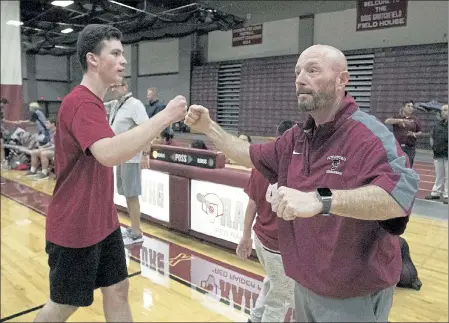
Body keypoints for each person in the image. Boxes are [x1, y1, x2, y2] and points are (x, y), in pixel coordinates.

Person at [185, 44, 419, 322]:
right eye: (297, 72)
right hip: (304, 284)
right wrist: (209, 128)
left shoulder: (368, 135)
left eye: (313, 70)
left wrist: (321, 200)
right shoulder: (297, 137)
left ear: (342, 80)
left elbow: (399, 197)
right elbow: (246, 154)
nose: (300, 78)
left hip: (353, 293)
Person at [33, 24, 187, 322]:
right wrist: (165, 116)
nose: (123, 61)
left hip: (102, 222)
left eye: (122, 54)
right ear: (92, 59)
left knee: (118, 287)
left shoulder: (95, 104)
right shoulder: (81, 102)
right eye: (115, 54)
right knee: (63, 305)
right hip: (75, 226)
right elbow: (108, 154)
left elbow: (116, 149)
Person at [237, 120, 296, 323]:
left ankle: (254, 318)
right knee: (281, 299)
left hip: (262, 240)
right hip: (276, 245)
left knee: (273, 283)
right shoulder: (295, 168)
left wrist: (245, 236)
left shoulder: (261, 163)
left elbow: (251, 203)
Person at [106, 80, 150, 245]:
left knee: (132, 195)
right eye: (111, 87)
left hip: (131, 157)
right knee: (126, 194)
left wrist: (145, 153)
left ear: (125, 87)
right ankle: (133, 228)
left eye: (115, 86)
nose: (112, 89)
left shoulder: (135, 105)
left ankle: (137, 233)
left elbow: (147, 129)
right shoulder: (116, 104)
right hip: (120, 156)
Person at [385, 101, 423, 167]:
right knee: (397, 167)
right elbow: (387, 121)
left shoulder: (415, 119)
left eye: (412, 106)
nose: (411, 108)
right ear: (403, 107)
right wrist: (400, 120)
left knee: (408, 166)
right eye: (408, 106)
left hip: (410, 148)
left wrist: (414, 134)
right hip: (398, 147)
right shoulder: (397, 117)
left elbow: (420, 132)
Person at [425, 104, 448, 204]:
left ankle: (447, 195)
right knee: (439, 175)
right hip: (438, 153)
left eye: (445, 110)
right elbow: (432, 137)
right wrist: (433, 147)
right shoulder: (437, 124)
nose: (443, 112)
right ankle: (436, 193)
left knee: (448, 176)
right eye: (442, 110)